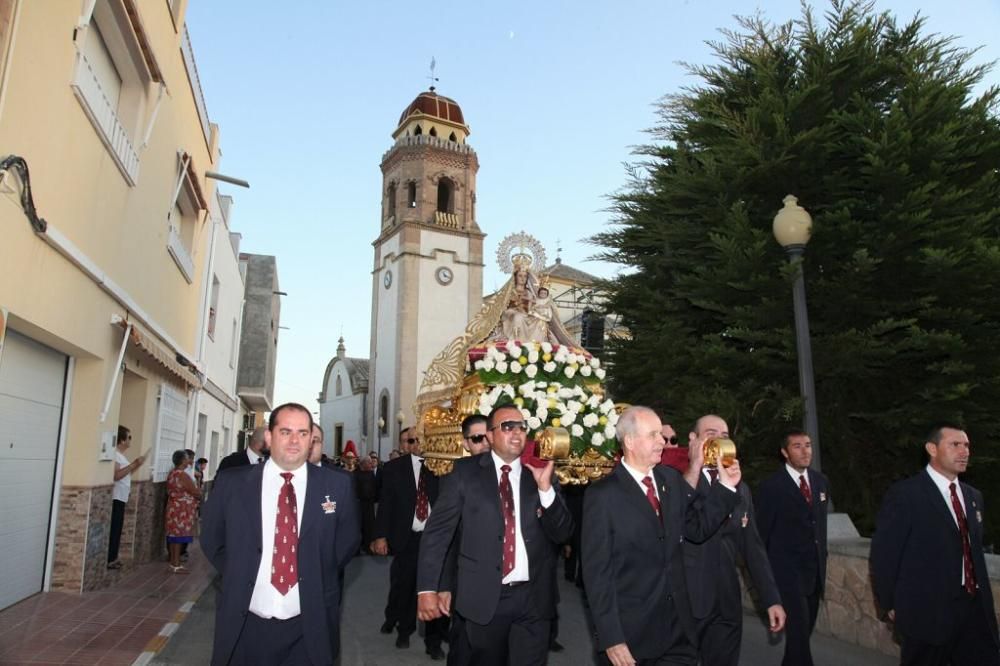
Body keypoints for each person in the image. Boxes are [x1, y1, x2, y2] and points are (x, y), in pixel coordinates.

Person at [201, 402, 359, 666]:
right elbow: (212, 538)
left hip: (309, 625)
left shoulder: (337, 485)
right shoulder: (233, 483)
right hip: (245, 624)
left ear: (311, 440)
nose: (295, 440)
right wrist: (241, 572)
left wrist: (315, 570)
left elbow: (347, 541)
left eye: (303, 433)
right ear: (269, 437)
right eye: (286, 432)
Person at [582, 406, 741, 666]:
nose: (661, 441)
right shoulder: (603, 495)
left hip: (678, 634)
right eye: (653, 434)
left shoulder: (670, 479)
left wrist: (726, 488)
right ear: (630, 441)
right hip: (631, 638)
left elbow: (697, 529)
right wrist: (610, 637)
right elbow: (597, 574)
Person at [416, 404, 574, 666]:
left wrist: (546, 491)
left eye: (522, 427)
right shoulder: (464, 473)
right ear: (489, 436)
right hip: (485, 598)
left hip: (534, 599)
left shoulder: (540, 473)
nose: (517, 433)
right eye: (507, 426)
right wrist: (428, 588)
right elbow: (438, 534)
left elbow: (563, 533)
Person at [871, 424, 999, 665]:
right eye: (955, 445)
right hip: (927, 612)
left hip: (974, 610)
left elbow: (973, 551)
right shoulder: (906, 494)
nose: (964, 451)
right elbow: (885, 555)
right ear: (932, 448)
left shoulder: (973, 497)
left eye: (967, 445)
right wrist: (890, 604)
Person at [682, 415, 784, 666]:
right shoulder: (678, 483)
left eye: (725, 435)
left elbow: (753, 548)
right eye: (711, 433)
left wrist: (771, 599)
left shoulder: (742, 490)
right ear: (693, 440)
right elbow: (691, 527)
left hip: (726, 604)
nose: (719, 440)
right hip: (687, 603)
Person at [371, 427, 448, 660]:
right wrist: (380, 535)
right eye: (412, 440)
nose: (416, 443)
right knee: (405, 587)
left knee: (435, 588)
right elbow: (386, 505)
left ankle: (434, 642)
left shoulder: (441, 466)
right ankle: (404, 630)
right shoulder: (394, 469)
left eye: (421, 438)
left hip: (435, 541)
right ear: (407, 444)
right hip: (407, 539)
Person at [756, 429, 830, 666]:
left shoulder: (821, 482)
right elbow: (761, 534)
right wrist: (767, 581)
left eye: (808, 445)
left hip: (814, 574)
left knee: (801, 638)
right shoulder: (771, 487)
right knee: (798, 638)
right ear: (784, 452)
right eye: (797, 446)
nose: (805, 450)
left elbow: (820, 527)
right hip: (786, 576)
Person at [108, 425, 146, 569]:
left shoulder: (121, 456)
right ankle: (110, 558)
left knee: (118, 528)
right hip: (116, 497)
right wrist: (134, 464)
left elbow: (126, 473)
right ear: (122, 440)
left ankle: (114, 556)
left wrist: (136, 464)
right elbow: (117, 475)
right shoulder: (115, 455)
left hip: (121, 497)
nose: (131, 440)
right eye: (129, 437)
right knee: (115, 528)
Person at [165, 449, 201, 574]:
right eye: (187, 458)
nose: (189, 460)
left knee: (174, 536)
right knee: (179, 536)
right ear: (182, 461)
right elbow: (195, 491)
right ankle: (176, 563)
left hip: (173, 508)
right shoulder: (182, 475)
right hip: (182, 510)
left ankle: (174, 563)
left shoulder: (172, 473)